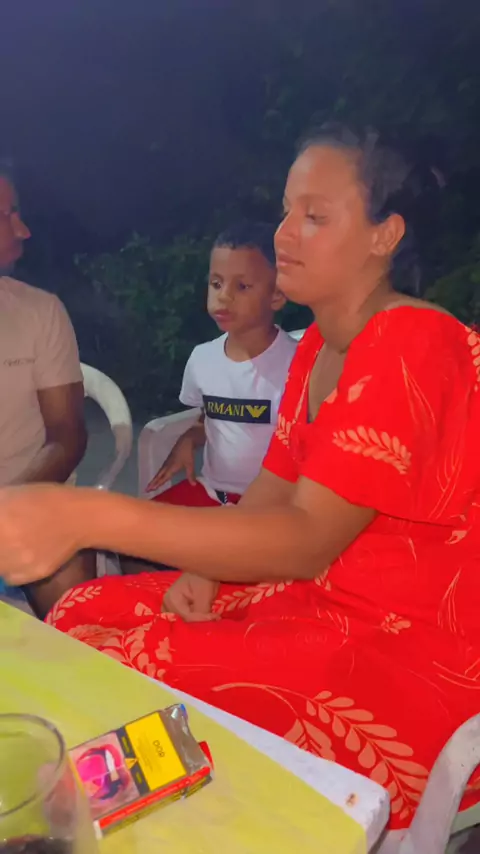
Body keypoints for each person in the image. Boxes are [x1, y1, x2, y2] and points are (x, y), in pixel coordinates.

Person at [1, 124, 480, 833]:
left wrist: (82, 516)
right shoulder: (319, 345)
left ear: (385, 234)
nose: (285, 235)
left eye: (315, 216)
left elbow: (307, 539)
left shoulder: (411, 339)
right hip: (323, 596)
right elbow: (274, 492)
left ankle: (164, 826)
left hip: (404, 649)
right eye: (286, 211)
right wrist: (206, 567)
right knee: (83, 611)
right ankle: (126, 817)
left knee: (133, 661)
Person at [146, 222, 297, 508]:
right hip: (214, 494)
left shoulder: (298, 364)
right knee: (135, 525)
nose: (224, 296)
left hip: (275, 507)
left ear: (276, 295)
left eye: (242, 286)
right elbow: (211, 417)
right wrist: (191, 437)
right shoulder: (203, 359)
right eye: (216, 284)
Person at [0, 165, 94, 617]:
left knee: (83, 613)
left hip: (29, 503)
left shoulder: (40, 312)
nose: (24, 230)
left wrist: (10, 503)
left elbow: (67, 435)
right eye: (9, 215)